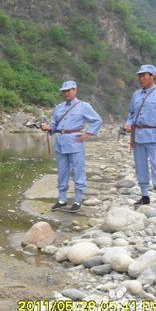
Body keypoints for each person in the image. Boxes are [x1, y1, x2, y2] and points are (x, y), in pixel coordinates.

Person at [41, 80, 102, 212]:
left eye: (69, 90)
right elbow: (54, 124)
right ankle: (62, 200)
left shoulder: (84, 106)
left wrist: (87, 134)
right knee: (62, 172)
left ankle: (78, 201)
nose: (66, 93)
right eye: (64, 91)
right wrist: (47, 127)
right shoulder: (59, 107)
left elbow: (97, 120)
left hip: (75, 142)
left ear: (75, 90)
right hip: (60, 143)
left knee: (78, 171)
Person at [124, 64, 156, 207]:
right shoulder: (136, 95)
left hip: (154, 136)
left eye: (145, 75)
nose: (141, 78)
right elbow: (132, 113)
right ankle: (144, 195)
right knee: (140, 166)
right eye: (140, 75)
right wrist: (128, 123)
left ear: (153, 76)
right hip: (138, 136)